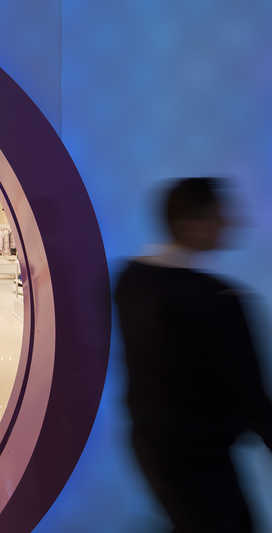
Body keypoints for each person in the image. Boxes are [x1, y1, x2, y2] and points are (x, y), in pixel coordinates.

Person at [115, 177, 272, 532]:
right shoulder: (217, 298)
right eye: (219, 215)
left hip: (150, 442)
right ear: (194, 222)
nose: (229, 224)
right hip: (199, 451)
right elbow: (248, 387)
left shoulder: (131, 279)